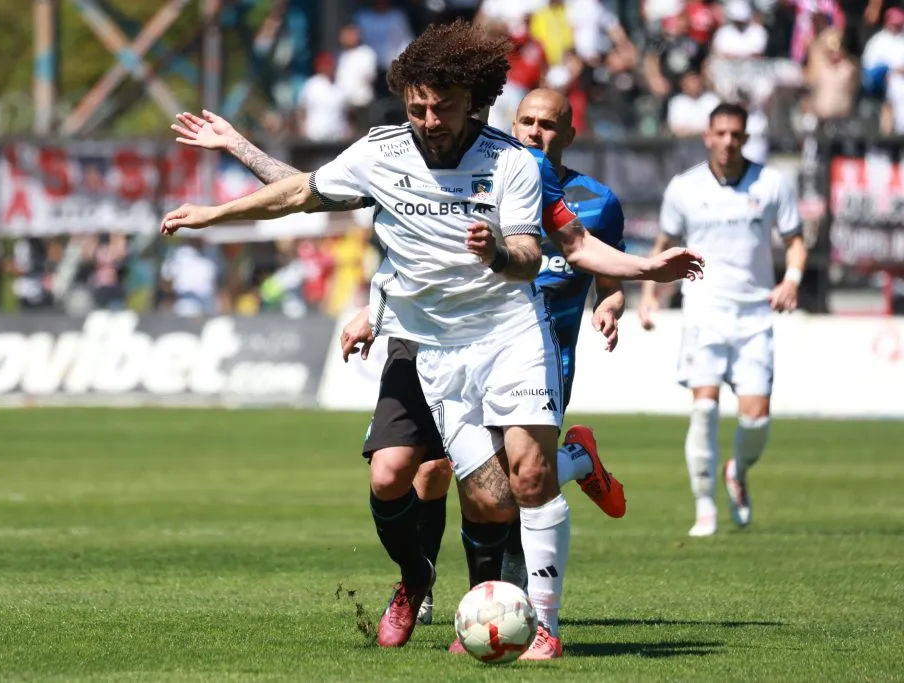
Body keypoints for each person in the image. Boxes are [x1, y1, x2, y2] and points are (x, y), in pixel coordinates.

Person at [164, 21, 702, 659]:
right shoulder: (381, 151)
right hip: (432, 351)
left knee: (529, 479)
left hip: (508, 333)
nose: (427, 119)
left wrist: (506, 253)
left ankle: (546, 629)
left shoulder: (512, 164)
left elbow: (538, 254)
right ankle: (436, 578)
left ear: (473, 100)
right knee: (482, 495)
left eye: (440, 107)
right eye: (416, 106)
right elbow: (303, 190)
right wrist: (216, 212)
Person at [638, 102, 807, 538]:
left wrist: (791, 279)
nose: (729, 141)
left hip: (755, 313)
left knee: (756, 419)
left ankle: (738, 469)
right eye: (721, 133)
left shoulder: (771, 183)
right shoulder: (684, 188)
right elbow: (666, 243)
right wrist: (649, 294)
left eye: (737, 134)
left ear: (745, 138)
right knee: (704, 408)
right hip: (703, 309)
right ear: (707, 137)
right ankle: (705, 509)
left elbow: (795, 241)